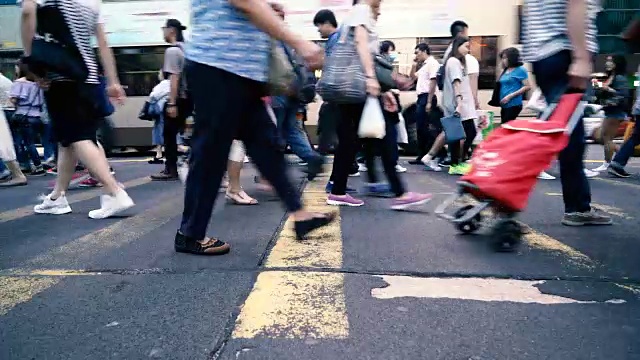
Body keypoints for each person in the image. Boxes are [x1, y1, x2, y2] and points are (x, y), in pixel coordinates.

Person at [176, 0, 336, 255]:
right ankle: (190, 234)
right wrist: (300, 42)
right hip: (218, 64)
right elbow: (245, 3)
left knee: (266, 144)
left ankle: (300, 215)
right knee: (211, 152)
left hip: (242, 71)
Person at [22, 0, 134, 219]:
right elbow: (102, 42)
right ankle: (57, 197)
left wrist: (32, 61)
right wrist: (112, 81)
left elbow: (27, 12)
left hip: (62, 75)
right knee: (70, 140)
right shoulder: (92, 1)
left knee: (77, 136)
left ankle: (114, 191)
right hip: (89, 77)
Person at [326, 0, 431, 210]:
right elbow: (361, 45)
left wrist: (382, 90)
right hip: (359, 86)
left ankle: (337, 190)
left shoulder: (356, 14)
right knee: (384, 134)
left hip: (354, 87)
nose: (380, 5)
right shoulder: (362, 11)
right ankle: (400, 192)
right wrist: (372, 79)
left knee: (350, 140)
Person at [522, 0, 611, 226]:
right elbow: (577, 4)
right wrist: (581, 57)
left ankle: (578, 205)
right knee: (570, 135)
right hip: (562, 51)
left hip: (543, 56)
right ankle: (577, 207)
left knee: (566, 131)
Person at [151, 19, 191, 181]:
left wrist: (172, 103)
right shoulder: (187, 48)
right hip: (192, 98)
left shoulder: (173, 51)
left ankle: (171, 169)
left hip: (180, 98)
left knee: (168, 133)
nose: (163, 33)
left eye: (164, 29)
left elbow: (174, 78)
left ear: (172, 31)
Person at [441, 36, 478, 176]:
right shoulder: (453, 61)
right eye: (466, 46)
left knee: (460, 134)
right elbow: (456, 83)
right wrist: (460, 102)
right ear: (457, 47)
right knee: (464, 133)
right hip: (459, 104)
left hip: (462, 103)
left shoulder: (459, 62)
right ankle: (456, 163)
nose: (468, 49)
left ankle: (457, 163)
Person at [591, 54, 631, 173]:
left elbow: (623, 95)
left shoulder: (620, 78)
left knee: (606, 138)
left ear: (617, 63)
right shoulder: (610, 76)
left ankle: (608, 163)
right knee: (602, 137)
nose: (607, 63)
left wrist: (606, 89)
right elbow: (603, 89)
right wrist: (595, 84)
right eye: (607, 61)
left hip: (615, 111)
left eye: (611, 61)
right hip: (609, 110)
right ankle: (621, 154)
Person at [410, 42, 441, 167]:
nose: (416, 55)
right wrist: (413, 65)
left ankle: (432, 153)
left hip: (427, 96)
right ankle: (422, 154)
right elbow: (413, 77)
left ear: (424, 51)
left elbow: (433, 81)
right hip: (421, 97)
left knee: (425, 127)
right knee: (421, 127)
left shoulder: (432, 63)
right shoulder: (423, 66)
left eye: (417, 53)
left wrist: (429, 101)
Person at [497, 48, 531, 124]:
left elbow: (527, 86)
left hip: (514, 103)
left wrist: (510, 96)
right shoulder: (505, 70)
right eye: (502, 58)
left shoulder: (520, 70)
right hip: (504, 104)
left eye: (505, 58)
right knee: (504, 125)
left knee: (506, 126)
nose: (503, 60)